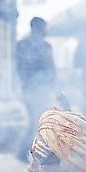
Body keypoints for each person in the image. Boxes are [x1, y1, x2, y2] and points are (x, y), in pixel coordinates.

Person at [16, 17, 56, 156]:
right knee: (38, 120)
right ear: (42, 28)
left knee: (36, 119)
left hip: (30, 88)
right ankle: (23, 151)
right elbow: (51, 69)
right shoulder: (44, 46)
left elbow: (18, 68)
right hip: (39, 89)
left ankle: (29, 150)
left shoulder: (21, 45)